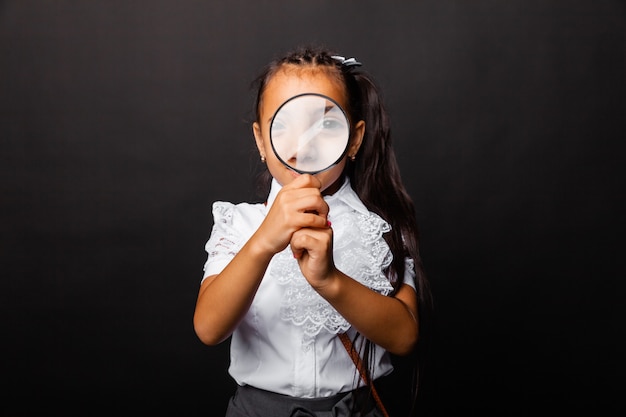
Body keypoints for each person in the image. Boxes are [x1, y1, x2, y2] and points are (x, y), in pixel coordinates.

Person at [194, 45, 431, 417]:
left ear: (353, 140)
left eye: (325, 124)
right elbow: (208, 328)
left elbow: (404, 337)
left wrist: (330, 281)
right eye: (283, 126)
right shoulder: (240, 225)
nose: (302, 145)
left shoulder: (380, 228)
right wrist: (262, 245)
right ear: (261, 140)